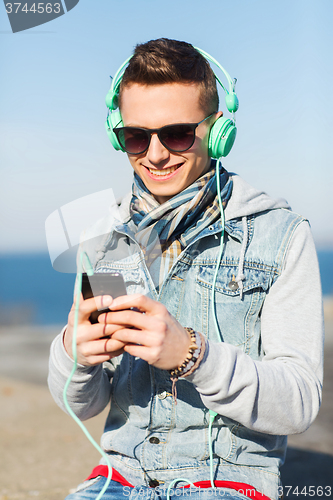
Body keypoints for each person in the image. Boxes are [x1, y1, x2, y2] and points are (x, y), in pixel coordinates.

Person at [48, 38, 324, 500]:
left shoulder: (282, 235)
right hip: (118, 479)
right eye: (136, 136)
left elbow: (300, 402)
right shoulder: (105, 238)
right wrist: (73, 352)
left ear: (219, 131)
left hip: (228, 481)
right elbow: (87, 403)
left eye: (176, 133)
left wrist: (192, 356)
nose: (154, 154)